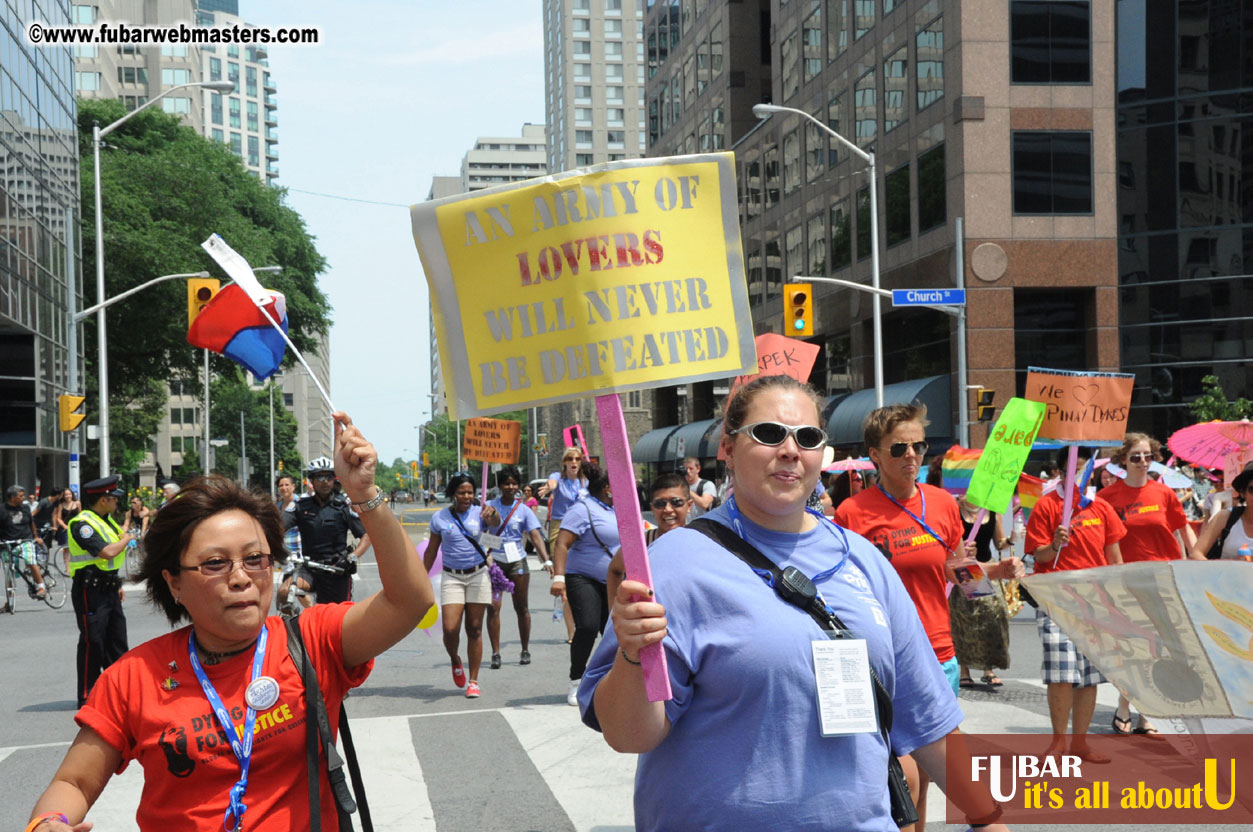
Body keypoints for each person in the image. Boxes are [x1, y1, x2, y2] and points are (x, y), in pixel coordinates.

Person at [578, 375, 1006, 831]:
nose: (789, 449)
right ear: (727, 447)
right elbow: (629, 735)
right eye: (768, 434)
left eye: (807, 437)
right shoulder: (674, 562)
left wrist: (988, 820)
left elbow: (930, 725)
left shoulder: (863, 560)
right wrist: (631, 652)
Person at [28, 412, 433, 831]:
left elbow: (410, 601)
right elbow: (73, 782)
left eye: (255, 559)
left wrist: (365, 494)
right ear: (174, 583)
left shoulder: (312, 641)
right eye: (216, 563)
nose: (241, 578)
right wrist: (48, 823)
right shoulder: (133, 677)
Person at [834, 408, 1023, 830]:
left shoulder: (940, 503)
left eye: (918, 446)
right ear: (875, 456)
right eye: (899, 448)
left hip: (939, 654)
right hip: (884, 662)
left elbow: (954, 570)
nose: (911, 456)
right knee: (904, 777)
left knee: (934, 772)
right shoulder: (852, 514)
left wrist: (995, 572)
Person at [1025, 445, 1126, 762]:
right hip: (1056, 599)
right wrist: (1053, 544)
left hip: (1094, 600)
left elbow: (1114, 556)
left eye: (1084, 469)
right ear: (1059, 473)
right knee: (1062, 673)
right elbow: (1036, 555)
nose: (1078, 475)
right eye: (1073, 470)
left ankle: (1080, 743)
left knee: (1089, 675)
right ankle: (1059, 742)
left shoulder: (1100, 506)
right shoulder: (1046, 505)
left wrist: (1119, 599)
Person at [1100, 432, 1197, 737]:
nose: (1143, 462)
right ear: (1123, 461)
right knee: (1132, 647)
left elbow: (1184, 532)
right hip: (1124, 582)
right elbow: (1100, 540)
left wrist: (1196, 562)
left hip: (1162, 579)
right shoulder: (1107, 499)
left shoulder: (1164, 494)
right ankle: (1124, 704)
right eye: (1136, 457)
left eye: (1148, 456)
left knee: (1159, 648)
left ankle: (1147, 712)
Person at [423, 475, 501, 699]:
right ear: (452, 494)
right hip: (452, 578)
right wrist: (421, 577)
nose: (466, 497)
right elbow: (431, 550)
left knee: (475, 628)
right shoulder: (440, 518)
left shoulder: (481, 512)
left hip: (478, 575)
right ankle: (455, 659)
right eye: (461, 492)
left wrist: (493, 514)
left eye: (470, 492)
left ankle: (473, 681)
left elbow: (495, 522)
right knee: (450, 629)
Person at [67, 476, 136, 708]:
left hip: (108, 588)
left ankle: (119, 692)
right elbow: (106, 552)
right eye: (114, 499)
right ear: (104, 500)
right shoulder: (82, 523)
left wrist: (117, 585)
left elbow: (111, 562)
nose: (117, 503)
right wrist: (127, 538)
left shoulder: (106, 521)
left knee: (117, 641)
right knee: (93, 641)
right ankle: (88, 694)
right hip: (90, 589)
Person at [551, 467, 619, 706]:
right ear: (608, 488)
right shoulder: (582, 509)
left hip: (614, 579)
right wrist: (558, 577)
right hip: (582, 577)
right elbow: (562, 543)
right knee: (588, 626)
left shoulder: (618, 510)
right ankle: (577, 680)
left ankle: (612, 681)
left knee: (612, 631)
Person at [484, 467, 551, 668]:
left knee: (521, 607)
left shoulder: (522, 510)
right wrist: (489, 546)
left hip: (517, 562)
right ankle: (495, 653)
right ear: (499, 485)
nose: (510, 487)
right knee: (493, 608)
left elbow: (535, 535)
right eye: (506, 483)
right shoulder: (488, 505)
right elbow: (479, 532)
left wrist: (546, 559)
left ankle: (525, 650)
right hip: (495, 562)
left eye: (514, 483)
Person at [283, 457, 371, 605]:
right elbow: (277, 527)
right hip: (309, 569)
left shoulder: (343, 506)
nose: (325, 481)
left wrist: (352, 557)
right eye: (320, 476)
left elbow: (366, 535)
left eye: (329, 477)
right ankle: (293, 623)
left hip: (336, 570)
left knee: (338, 620)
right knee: (286, 590)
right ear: (311, 480)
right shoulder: (301, 506)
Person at [951, 496, 1012, 690]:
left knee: (993, 615)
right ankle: (964, 670)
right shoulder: (953, 508)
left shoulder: (991, 509)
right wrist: (963, 550)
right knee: (965, 619)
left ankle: (988, 667)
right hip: (966, 568)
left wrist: (1012, 539)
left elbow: (1000, 542)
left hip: (986, 568)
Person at [606, 473, 691, 601]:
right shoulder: (641, 543)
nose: (668, 509)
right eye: (660, 504)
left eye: (676, 502)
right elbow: (614, 570)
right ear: (652, 508)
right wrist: (613, 611)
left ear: (689, 506)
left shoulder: (700, 541)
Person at [539, 447, 587, 642]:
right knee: (563, 581)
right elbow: (552, 482)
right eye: (570, 458)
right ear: (565, 462)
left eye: (577, 458)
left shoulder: (586, 482)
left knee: (581, 577)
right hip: (560, 526)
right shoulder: (559, 478)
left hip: (582, 527)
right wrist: (549, 487)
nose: (574, 461)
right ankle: (572, 631)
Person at [1192, 461, 1253, 560]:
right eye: (1252, 489)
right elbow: (1196, 553)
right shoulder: (1226, 517)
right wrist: (1220, 568)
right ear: (1242, 493)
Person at [2, 484, 48, 600]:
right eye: (21, 496)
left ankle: (41, 587)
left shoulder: (25, 508)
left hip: (25, 540)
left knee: (30, 559)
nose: (24, 498)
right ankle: (10, 601)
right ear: (12, 497)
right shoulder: (2, 510)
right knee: (9, 572)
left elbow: (31, 523)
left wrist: (36, 537)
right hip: (8, 542)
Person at [273, 473, 308, 613]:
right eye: (281, 485)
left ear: (293, 487)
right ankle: (308, 615)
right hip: (284, 555)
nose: (284, 488)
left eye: (287, 485)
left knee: (289, 590)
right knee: (293, 591)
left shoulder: (301, 504)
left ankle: (314, 615)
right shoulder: (278, 506)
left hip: (298, 554)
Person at [680, 457, 716, 521]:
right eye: (686, 469)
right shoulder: (680, 486)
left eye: (691, 469)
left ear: (698, 469)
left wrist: (687, 490)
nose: (688, 471)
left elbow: (705, 504)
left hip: (701, 526)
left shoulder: (707, 485)